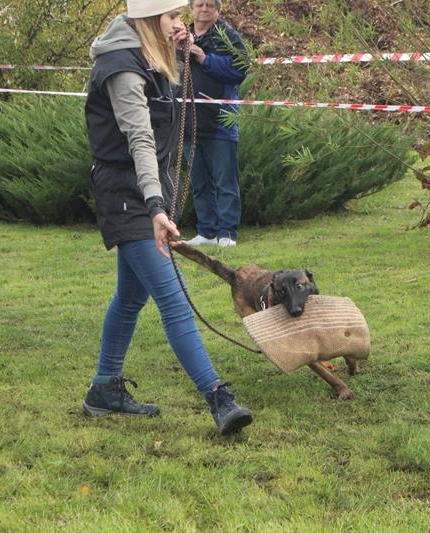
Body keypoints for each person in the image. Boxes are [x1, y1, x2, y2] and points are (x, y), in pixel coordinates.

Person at [82, 0, 252, 436]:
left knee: (130, 298)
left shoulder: (148, 55)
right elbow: (139, 138)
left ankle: (103, 389)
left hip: (145, 189)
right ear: (148, 20)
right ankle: (218, 397)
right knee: (174, 299)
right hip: (129, 195)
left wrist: (178, 55)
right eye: (173, 17)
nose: (181, 23)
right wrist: (156, 206)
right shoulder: (122, 67)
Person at [181, 0, 248, 248]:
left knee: (225, 182)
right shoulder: (181, 35)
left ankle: (227, 232)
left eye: (210, 4)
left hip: (221, 122)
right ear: (191, 9)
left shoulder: (227, 36)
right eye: (199, 4)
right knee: (199, 182)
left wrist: (204, 58)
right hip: (188, 122)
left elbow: (240, 69)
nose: (204, 9)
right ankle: (206, 231)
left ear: (218, 10)